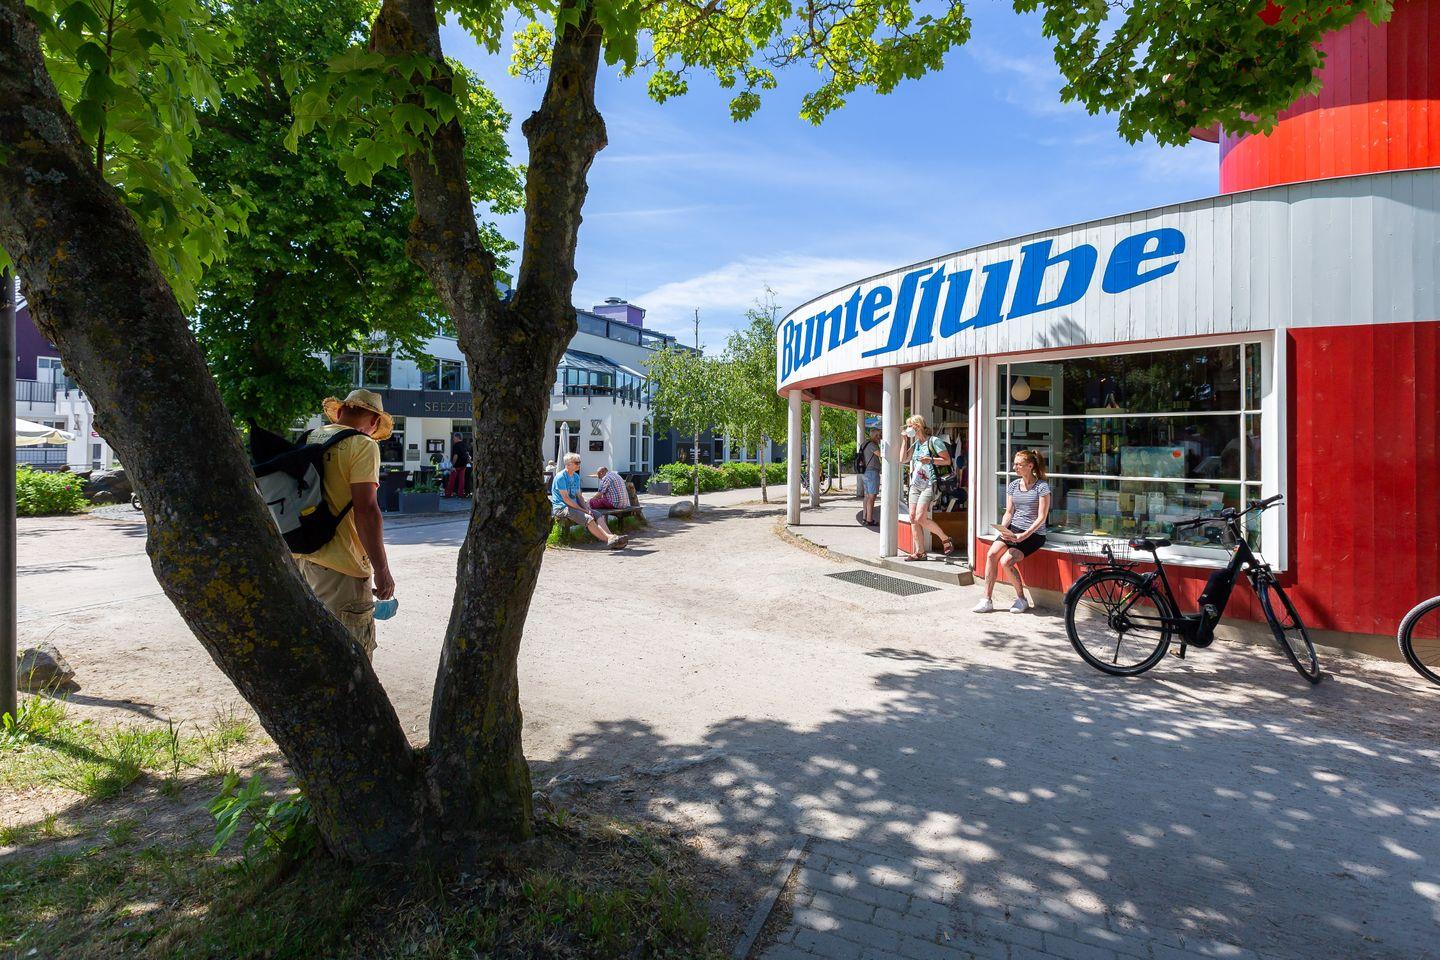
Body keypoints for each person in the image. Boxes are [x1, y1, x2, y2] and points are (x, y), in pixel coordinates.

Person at [295, 389, 395, 659]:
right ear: (373, 421)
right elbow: (367, 510)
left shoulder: (307, 439)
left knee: (312, 650)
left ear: (340, 412)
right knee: (350, 657)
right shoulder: (362, 445)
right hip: (342, 566)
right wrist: (382, 570)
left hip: (299, 558)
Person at [975, 449, 1051, 614]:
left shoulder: (1042, 487)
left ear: (1030, 466)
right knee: (991, 554)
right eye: (1014, 464)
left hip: (1034, 534)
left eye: (1018, 465)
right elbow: (1009, 512)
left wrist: (1025, 535)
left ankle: (1021, 599)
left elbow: (1042, 517)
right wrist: (1003, 529)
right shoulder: (1014, 485)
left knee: (1006, 561)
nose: (1014, 467)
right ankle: (986, 599)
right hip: (1013, 529)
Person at [899, 415, 954, 560]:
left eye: (910, 426)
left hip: (929, 484)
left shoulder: (934, 441)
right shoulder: (916, 444)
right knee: (912, 517)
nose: (908, 428)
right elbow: (902, 459)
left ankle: (945, 538)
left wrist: (930, 459)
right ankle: (920, 552)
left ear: (918, 426)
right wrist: (904, 440)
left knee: (920, 517)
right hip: (915, 484)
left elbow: (947, 461)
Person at [551, 453, 628, 549]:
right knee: (589, 518)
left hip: (574, 507)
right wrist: (583, 510)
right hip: (562, 508)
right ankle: (609, 540)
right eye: (576, 463)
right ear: (568, 464)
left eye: (579, 462)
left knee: (597, 514)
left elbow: (579, 496)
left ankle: (611, 537)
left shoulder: (576, 477)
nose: (579, 464)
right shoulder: (561, 477)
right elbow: (566, 499)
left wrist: (587, 508)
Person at [858, 425, 882, 526]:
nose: (880, 438)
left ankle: (865, 517)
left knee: (867, 496)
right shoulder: (872, 444)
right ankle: (869, 520)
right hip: (872, 472)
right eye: (879, 435)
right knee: (872, 497)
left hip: (865, 472)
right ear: (876, 436)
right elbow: (881, 454)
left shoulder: (864, 443)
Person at [445, 432, 471, 498]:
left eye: (454, 438)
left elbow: (455, 456)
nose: (453, 439)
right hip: (463, 465)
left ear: (457, 437)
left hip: (456, 466)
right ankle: (460, 494)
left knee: (452, 480)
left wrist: (452, 465)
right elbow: (468, 454)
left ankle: (448, 494)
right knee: (461, 480)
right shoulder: (465, 445)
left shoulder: (456, 445)